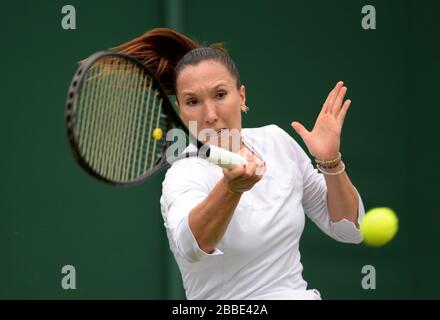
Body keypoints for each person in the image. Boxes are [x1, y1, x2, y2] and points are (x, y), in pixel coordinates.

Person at [114, 28, 365, 300]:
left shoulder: (277, 142)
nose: (210, 114)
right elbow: (193, 245)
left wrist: (330, 162)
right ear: (181, 112)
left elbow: (349, 228)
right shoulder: (184, 172)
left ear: (241, 97)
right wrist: (230, 189)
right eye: (193, 101)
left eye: (220, 95)